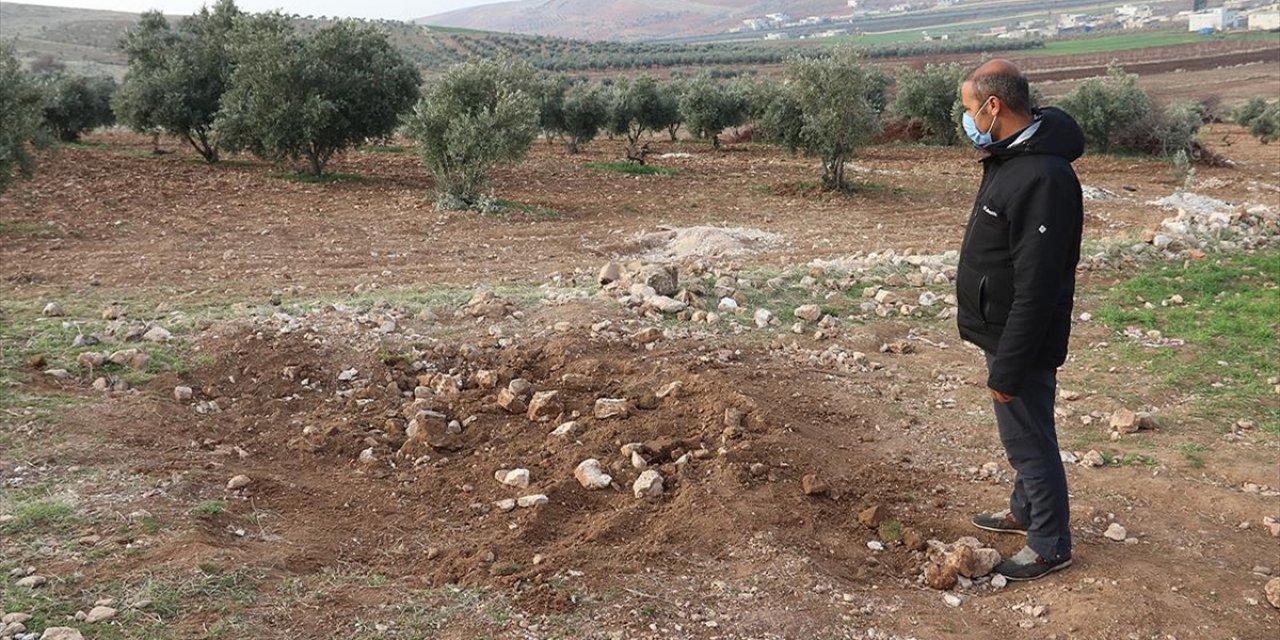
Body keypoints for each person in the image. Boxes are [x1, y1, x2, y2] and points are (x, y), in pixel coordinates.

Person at [955, 59, 1085, 581]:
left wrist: (1008, 367)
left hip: (1021, 336)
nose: (964, 119)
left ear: (993, 106)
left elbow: (1038, 285)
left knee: (1029, 439)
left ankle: (1050, 543)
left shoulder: (1044, 176)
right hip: (1003, 327)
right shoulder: (1012, 157)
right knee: (1024, 430)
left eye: (968, 108)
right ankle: (1025, 510)